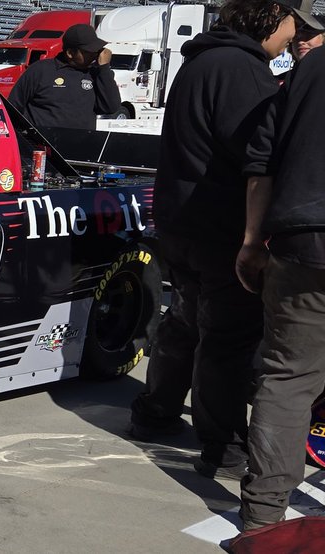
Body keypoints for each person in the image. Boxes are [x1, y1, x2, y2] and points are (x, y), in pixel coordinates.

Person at [129, 0, 305, 482]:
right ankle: (223, 445)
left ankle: (155, 411)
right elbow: (257, 152)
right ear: (269, 19)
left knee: (185, 322)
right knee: (226, 340)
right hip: (220, 225)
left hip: (181, 219)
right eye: (290, 29)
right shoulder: (242, 69)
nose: (292, 39)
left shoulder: (201, 60)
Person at [235, 1, 325, 531]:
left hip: (303, 242)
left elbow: (260, 165)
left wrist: (251, 241)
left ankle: (263, 520)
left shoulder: (305, 74)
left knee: (287, 379)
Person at [7, 24, 121, 130]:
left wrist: (104, 68)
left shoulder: (96, 74)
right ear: (70, 53)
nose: (95, 54)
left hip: (80, 146)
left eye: (97, 50)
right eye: (88, 51)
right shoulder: (41, 70)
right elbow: (13, 107)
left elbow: (110, 108)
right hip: (42, 146)